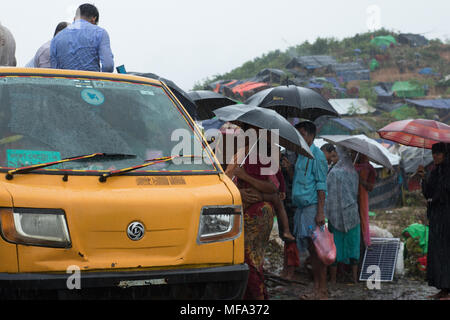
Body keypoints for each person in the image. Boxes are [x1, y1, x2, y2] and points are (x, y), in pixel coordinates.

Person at [225, 126, 295, 300]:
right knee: (246, 259)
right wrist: (239, 191)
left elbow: (274, 188)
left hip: (257, 215)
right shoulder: (241, 155)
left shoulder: (263, 156)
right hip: (242, 211)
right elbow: (226, 180)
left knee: (250, 260)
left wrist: (248, 180)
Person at [291, 121, 328, 300]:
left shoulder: (318, 155)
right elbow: (300, 180)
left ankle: (321, 290)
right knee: (311, 252)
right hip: (302, 207)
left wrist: (320, 212)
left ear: (309, 134)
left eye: (301, 134)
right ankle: (317, 288)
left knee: (316, 250)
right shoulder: (301, 155)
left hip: (312, 208)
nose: (300, 138)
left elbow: (321, 185)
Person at [416, 142, 450, 300]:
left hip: (447, 218)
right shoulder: (436, 171)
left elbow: (443, 193)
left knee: (446, 252)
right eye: (433, 153)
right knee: (437, 252)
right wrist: (424, 179)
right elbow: (429, 192)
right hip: (437, 217)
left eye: (438, 153)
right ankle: (443, 288)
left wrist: (433, 199)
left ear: (445, 154)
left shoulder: (448, 171)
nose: (435, 156)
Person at [326, 146, 361, 284]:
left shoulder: (333, 173)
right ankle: (354, 278)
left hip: (336, 216)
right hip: (352, 214)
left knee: (336, 248)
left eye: (335, 156)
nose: (333, 159)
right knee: (353, 247)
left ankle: (334, 279)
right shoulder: (353, 172)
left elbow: (329, 195)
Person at [50, 3, 114, 72]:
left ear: (75, 18)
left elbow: (55, 70)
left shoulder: (56, 39)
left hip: (66, 82)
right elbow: (108, 66)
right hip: (91, 81)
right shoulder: (100, 33)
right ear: (93, 19)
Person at [354, 152, 376, 249]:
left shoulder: (369, 168)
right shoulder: (351, 166)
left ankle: (363, 242)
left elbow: (370, 187)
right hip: (351, 197)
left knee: (362, 218)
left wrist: (360, 180)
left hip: (362, 197)